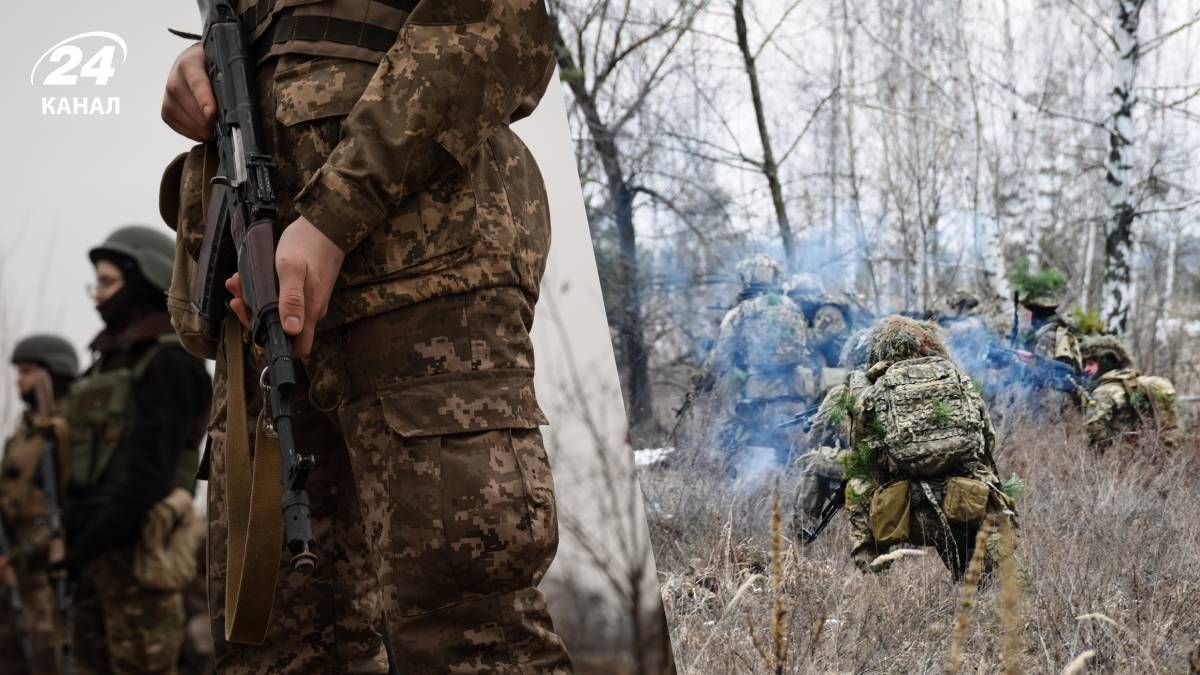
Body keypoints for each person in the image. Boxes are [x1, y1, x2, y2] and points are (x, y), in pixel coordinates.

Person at [160, 1, 572, 671]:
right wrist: (208, 64)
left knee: (465, 631)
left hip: (421, 268)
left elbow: (504, 25)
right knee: (274, 646)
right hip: (263, 296)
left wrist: (329, 220)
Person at [60, 225, 212, 674]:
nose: (98, 297)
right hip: (93, 556)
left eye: (107, 283)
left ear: (145, 277)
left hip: (140, 557)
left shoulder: (169, 360)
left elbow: (150, 476)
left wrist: (87, 544)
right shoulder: (103, 365)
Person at [843, 316, 1016, 579]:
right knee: (987, 479)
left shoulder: (875, 390)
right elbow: (987, 440)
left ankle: (872, 569)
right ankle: (982, 574)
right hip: (964, 501)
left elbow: (861, 453)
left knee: (855, 484)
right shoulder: (957, 379)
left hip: (902, 509)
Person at [685, 255, 815, 469]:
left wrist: (700, 382)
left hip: (760, 397)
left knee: (727, 436)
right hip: (797, 393)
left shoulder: (742, 312)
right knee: (795, 458)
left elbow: (720, 358)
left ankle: (732, 489)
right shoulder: (792, 307)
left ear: (748, 278)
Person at [0, 334, 77, 675]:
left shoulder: (65, 429)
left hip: (50, 565)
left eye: (28, 371)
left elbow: (68, 500)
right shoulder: (22, 435)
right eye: (18, 371)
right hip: (15, 564)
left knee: (51, 654)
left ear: (53, 372)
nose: (19, 380)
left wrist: (27, 552)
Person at [791, 328, 870, 533]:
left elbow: (815, 437)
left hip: (867, 464)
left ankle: (800, 534)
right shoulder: (896, 383)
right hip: (903, 463)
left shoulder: (844, 391)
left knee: (812, 461)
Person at [1080, 335, 1182, 451]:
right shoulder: (1131, 382)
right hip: (1145, 454)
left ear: (1105, 361)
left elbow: (1092, 432)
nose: (1086, 369)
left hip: (1118, 461)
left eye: (1091, 364)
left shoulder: (1104, 391)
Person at [784, 273, 854, 368]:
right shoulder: (813, 313)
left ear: (807, 296)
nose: (795, 304)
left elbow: (814, 338)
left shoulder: (827, 312)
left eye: (797, 299)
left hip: (838, 367)